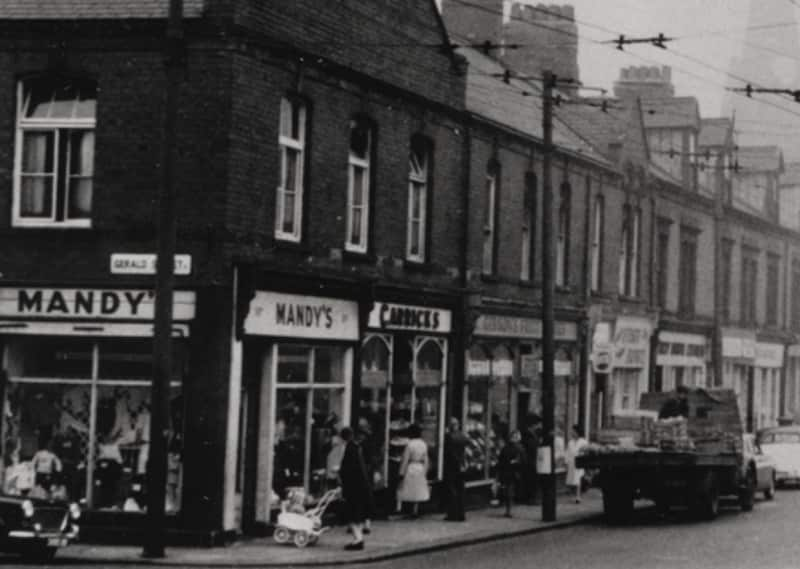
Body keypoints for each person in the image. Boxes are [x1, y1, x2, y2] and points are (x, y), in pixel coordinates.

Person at [338, 427, 371, 551]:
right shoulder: (357, 448)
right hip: (362, 487)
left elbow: (347, 469)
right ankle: (359, 538)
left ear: (342, 438)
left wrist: (339, 474)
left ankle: (358, 539)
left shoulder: (349, 449)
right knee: (358, 515)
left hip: (353, 488)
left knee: (351, 515)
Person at [396, 423, 430, 518]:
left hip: (411, 467)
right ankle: (415, 509)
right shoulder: (423, 444)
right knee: (418, 489)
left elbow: (405, 459)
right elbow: (426, 458)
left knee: (408, 488)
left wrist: (401, 473)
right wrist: (425, 470)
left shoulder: (409, 444)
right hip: (420, 467)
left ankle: (407, 510)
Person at [442, 417, 469, 521]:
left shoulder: (448, 436)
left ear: (450, 426)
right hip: (461, 465)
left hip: (451, 466)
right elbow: (466, 446)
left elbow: (449, 452)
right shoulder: (463, 435)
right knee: (461, 490)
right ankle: (461, 514)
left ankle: (452, 514)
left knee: (451, 490)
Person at [497, 430, 524, 517]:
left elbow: (500, 460)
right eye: (519, 436)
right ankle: (509, 510)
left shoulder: (505, 448)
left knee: (508, 489)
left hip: (506, 472)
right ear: (516, 437)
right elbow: (523, 460)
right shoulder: (519, 448)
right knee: (511, 490)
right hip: (515, 472)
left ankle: (508, 509)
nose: (520, 437)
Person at [520, 415, 541, 504]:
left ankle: (531, 497)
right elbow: (529, 447)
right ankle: (529, 498)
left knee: (533, 479)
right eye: (538, 424)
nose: (539, 426)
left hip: (533, 460)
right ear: (533, 424)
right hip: (530, 460)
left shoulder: (534, 434)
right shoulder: (527, 435)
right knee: (530, 479)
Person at [565, 425, 588, 503]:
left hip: (579, 462)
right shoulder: (570, 442)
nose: (572, 432)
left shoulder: (583, 442)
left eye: (573, 431)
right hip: (572, 462)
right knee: (572, 480)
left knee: (578, 479)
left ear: (577, 432)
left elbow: (586, 452)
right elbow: (567, 452)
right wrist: (566, 462)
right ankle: (575, 495)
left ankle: (578, 496)